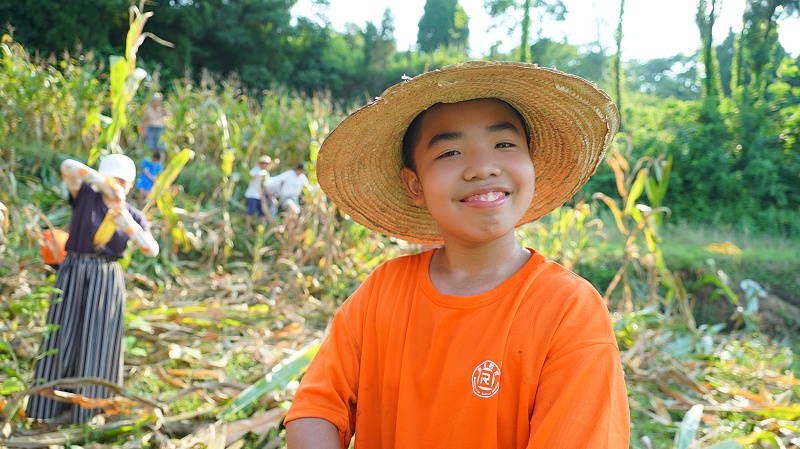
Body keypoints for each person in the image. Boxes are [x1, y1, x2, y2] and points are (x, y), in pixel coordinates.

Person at [284, 61, 630, 448]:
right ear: (415, 184)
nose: (482, 168)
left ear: (530, 162)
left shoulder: (568, 310)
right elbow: (315, 409)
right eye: (449, 153)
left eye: (504, 144)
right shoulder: (382, 292)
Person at [26, 154, 159, 425]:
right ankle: (46, 408)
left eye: (123, 181)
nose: (118, 185)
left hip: (106, 277)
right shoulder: (86, 196)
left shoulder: (132, 215)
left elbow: (151, 249)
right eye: (114, 178)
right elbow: (68, 167)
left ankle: (89, 411)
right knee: (62, 335)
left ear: (132, 184)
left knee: (98, 341)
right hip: (73, 271)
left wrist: (127, 223)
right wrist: (102, 182)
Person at [244, 155, 276, 232]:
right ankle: (247, 228)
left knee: (262, 213)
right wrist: (260, 174)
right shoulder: (256, 170)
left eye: (266, 164)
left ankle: (262, 231)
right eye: (263, 163)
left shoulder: (266, 174)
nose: (265, 165)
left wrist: (270, 196)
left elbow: (266, 186)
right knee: (250, 212)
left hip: (261, 197)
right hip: (252, 195)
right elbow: (250, 176)